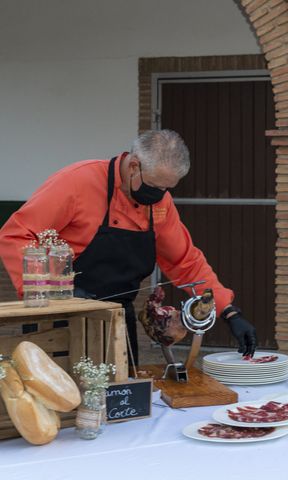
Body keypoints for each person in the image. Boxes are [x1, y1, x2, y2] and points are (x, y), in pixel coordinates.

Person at [0, 130, 257, 365]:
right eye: (156, 186)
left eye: (168, 188)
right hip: (59, 315)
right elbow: (16, 234)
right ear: (134, 166)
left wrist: (228, 311)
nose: (161, 194)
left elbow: (185, 262)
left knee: (122, 402)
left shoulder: (160, 204)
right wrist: (54, 290)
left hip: (118, 320)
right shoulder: (78, 182)